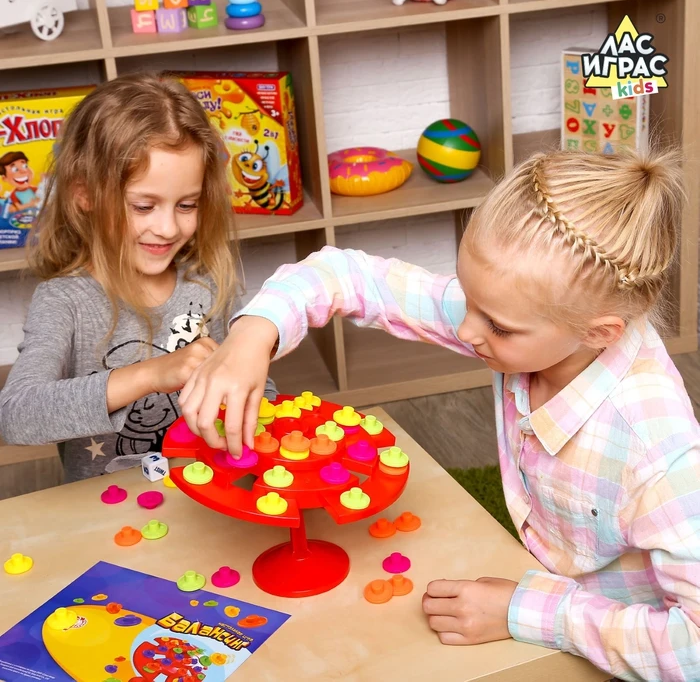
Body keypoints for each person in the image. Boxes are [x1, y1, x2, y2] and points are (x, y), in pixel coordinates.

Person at [178, 147, 700, 681]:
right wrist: (253, 333)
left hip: (616, 649)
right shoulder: (529, 317)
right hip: (539, 590)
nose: (466, 331)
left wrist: (528, 612)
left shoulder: (659, 453)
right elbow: (344, 274)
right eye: (466, 296)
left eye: (497, 327)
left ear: (599, 333)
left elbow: (693, 650)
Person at [0, 73, 276, 482]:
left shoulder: (209, 283)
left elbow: (257, 390)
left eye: (187, 205)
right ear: (84, 194)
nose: (167, 228)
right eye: (144, 206)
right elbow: (15, 415)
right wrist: (151, 375)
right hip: (109, 510)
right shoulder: (64, 301)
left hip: (209, 494)